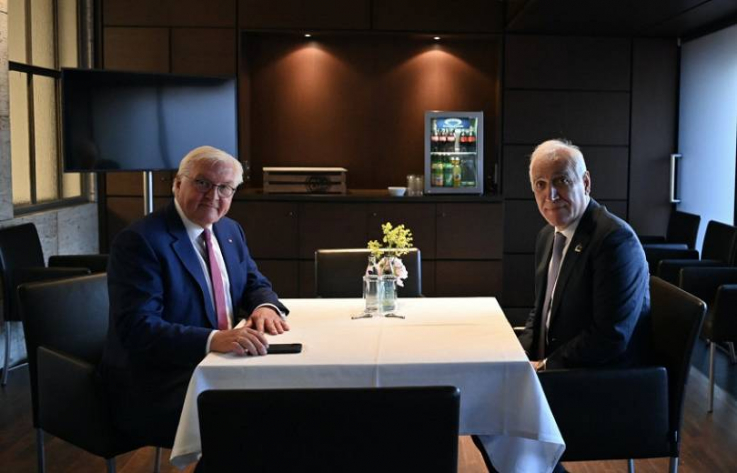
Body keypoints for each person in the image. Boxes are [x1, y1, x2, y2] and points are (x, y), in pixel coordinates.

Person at [99, 145, 290, 449]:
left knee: (291, 396)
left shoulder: (229, 230)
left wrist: (265, 306)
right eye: (203, 183)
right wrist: (213, 339)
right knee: (259, 417)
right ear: (177, 184)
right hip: (162, 380)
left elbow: (253, 281)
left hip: (223, 363)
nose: (213, 195)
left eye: (225, 188)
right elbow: (137, 328)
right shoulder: (140, 241)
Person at [518, 139, 650, 371]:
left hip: (598, 378)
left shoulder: (615, 241)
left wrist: (545, 366)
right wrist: (520, 356)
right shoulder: (547, 236)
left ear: (586, 182)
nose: (550, 195)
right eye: (540, 184)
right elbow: (540, 312)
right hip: (558, 365)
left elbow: (609, 337)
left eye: (561, 181)